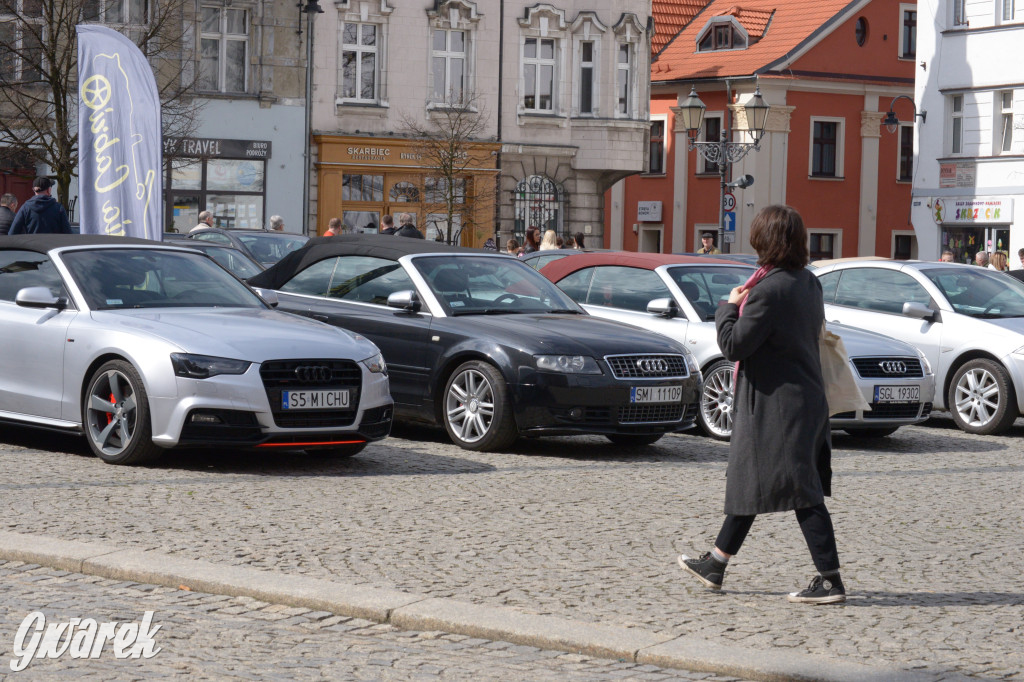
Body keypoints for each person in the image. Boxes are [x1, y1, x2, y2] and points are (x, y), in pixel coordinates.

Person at [679, 204, 845, 605]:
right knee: (753, 480)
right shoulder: (807, 282)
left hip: (779, 406)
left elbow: (735, 345)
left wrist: (727, 307)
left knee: (802, 491)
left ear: (765, 241)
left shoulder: (769, 290)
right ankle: (716, 563)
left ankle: (830, 581)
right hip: (800, 398)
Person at [8, 177, 72, 235]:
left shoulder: (25, 208)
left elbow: (12, 233)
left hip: (31, 244)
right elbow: (68, 233)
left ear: (33, 190)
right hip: (53, 244)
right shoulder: (58, 208)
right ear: (49, 190)